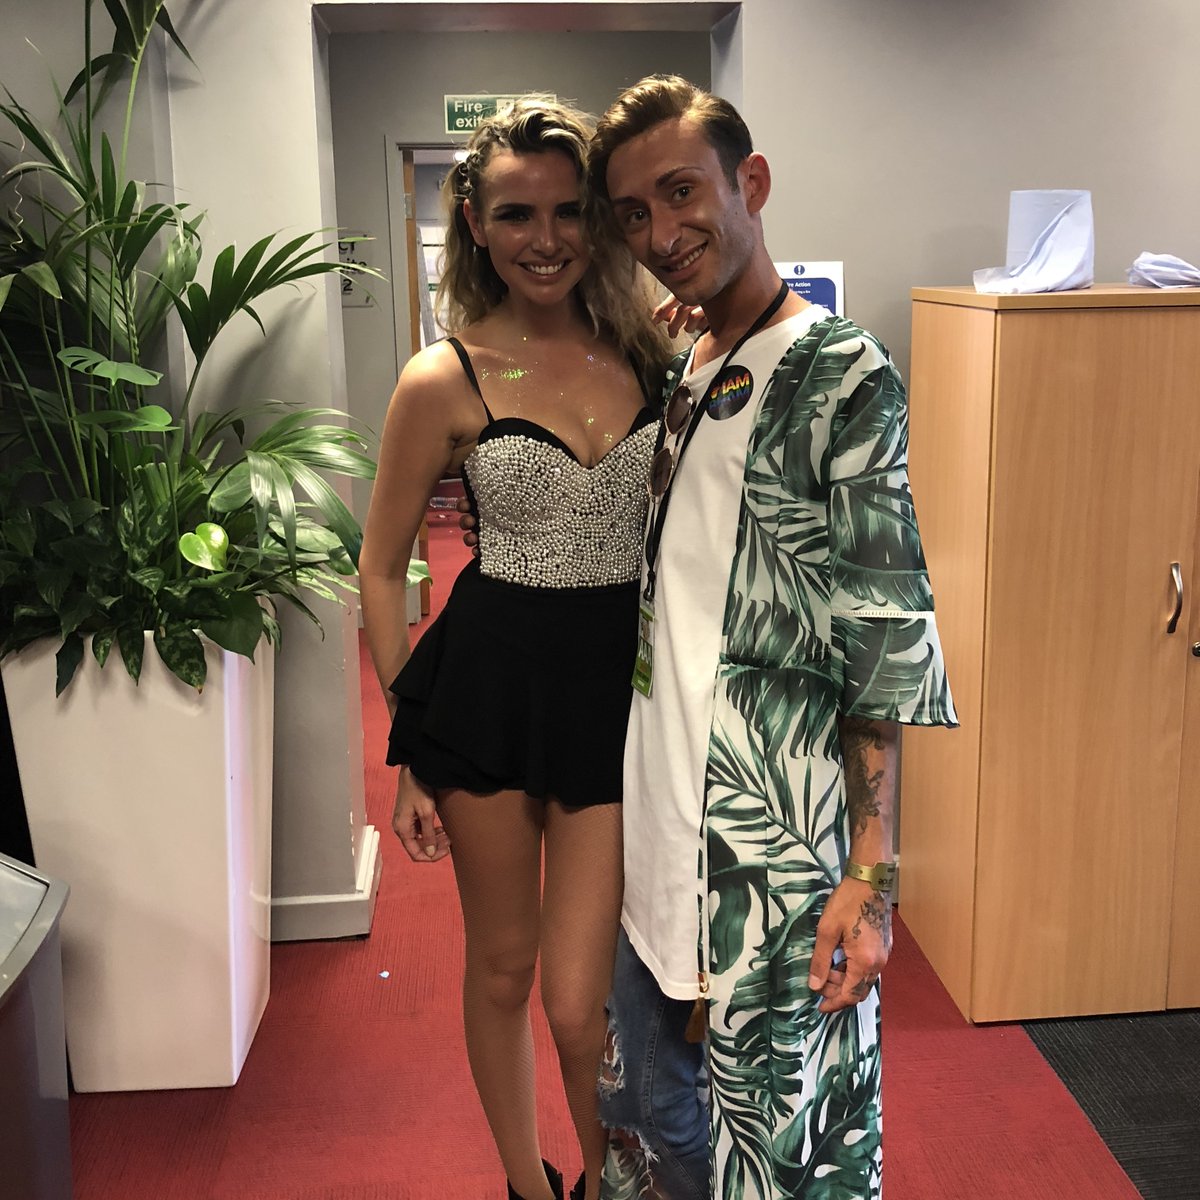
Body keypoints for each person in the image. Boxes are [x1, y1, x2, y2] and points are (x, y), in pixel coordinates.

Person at [580, 77, 960, 1199]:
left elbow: (882, 629)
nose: (661, 234)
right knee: (654, 1114)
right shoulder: (690, 371)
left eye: (681, 192)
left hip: (776, 841)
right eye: (634, 213)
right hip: (660, 824)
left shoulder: (844, 372)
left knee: (786, 1144)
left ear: (751, 182)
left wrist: (872, 872)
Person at [357, 97, 670, 1200]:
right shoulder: (443, 376)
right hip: (486, 690)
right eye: (516, 213)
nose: (546, 238)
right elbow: (381, 568)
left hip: (610, 697)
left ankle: (606, 1177)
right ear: (476, 225)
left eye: (569, 210)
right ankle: (528, 1186)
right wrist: (411, 748)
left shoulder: (653, 352)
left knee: (581, 1003)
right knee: (502, 966)